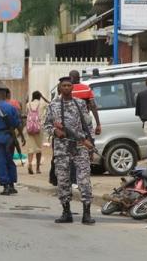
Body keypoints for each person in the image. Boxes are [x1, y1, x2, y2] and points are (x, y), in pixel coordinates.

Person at [44, 76, 96, 225]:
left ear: (72, 88)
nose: (66, 88)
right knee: (62, 180)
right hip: (61, 148)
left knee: (84, 180)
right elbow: (46, 124)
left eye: (69, 85)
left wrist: (91, 145)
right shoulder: (53, 106)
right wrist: (55, 131)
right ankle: (66, 212)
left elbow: (88, 126)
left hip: (80, 147)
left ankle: (87, 213)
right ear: (59, 88)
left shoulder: (80, 104)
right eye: (64, 86)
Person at [0, 87, 26, 195]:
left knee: (1, 162)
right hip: (9, 138)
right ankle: (12, 184)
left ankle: (6, 185)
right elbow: (17, 124)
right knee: (9, 160)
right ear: (6, 95)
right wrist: (22, 137)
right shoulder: (11, 108)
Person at [69, 70, 102, 135]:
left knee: (73, 142)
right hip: (85, 121)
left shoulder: (68, 90)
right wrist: (98, 124)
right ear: (79, 78)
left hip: (71, 122)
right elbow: (92, 105)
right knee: (88, 141)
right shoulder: (86, 88)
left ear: (70, 78)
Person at [25, 91, 48, 175]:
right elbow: (51, 104)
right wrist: (43, 97)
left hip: (30, 128)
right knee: (38, 148)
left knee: (30, 148)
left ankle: (30, 163)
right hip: (39, 128)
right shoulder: (42, 104)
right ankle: (38, 168)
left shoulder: (28, 104)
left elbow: (27, 114)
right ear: (39, 96)